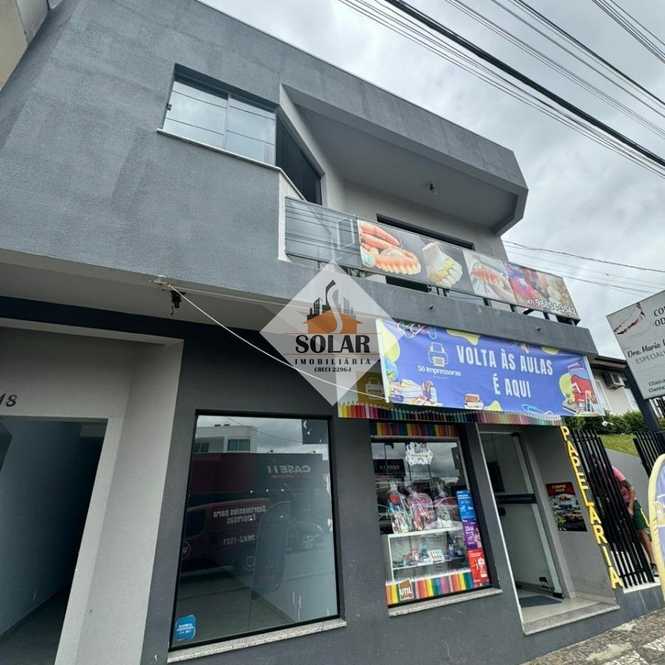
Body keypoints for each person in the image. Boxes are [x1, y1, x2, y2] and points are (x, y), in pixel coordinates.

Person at [612, 465, 656, 575]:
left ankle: (653, 563)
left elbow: (631, 488)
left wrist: (630, 508)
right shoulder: (599, 476)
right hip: (619, 505)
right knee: (629, 535)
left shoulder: (613, 470)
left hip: (632, 503)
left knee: (642, 532)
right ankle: (638, 565)